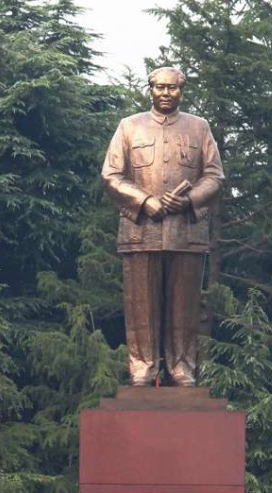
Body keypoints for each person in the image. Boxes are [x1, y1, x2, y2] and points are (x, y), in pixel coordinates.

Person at [100, 65, 225, 386]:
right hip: (140, 231)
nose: (166, 94)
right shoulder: (129, 127)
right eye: (160, 87)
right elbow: (111, 176)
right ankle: (143, 367)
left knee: (185, 307)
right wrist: (144, 201)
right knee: (140, 306)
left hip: (186, 233)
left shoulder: (199, 128)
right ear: (150, 89)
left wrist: (189, 200)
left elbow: (214, 176)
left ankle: (182, 367)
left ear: (182, 91)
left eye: (173, 88)